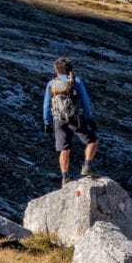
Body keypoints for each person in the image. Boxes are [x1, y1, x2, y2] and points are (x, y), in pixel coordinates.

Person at [42, 57, 98, 186]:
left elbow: (46, 104)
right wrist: (90, 119)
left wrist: (46, 122)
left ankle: (65, 178)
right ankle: (86, 167)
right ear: (70, 69)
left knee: (64, 150)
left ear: (57, 70)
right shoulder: (76, 81)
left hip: (58, 120)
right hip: (75, 118)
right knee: (92, 141)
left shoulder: (51, 84)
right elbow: (85, 102)